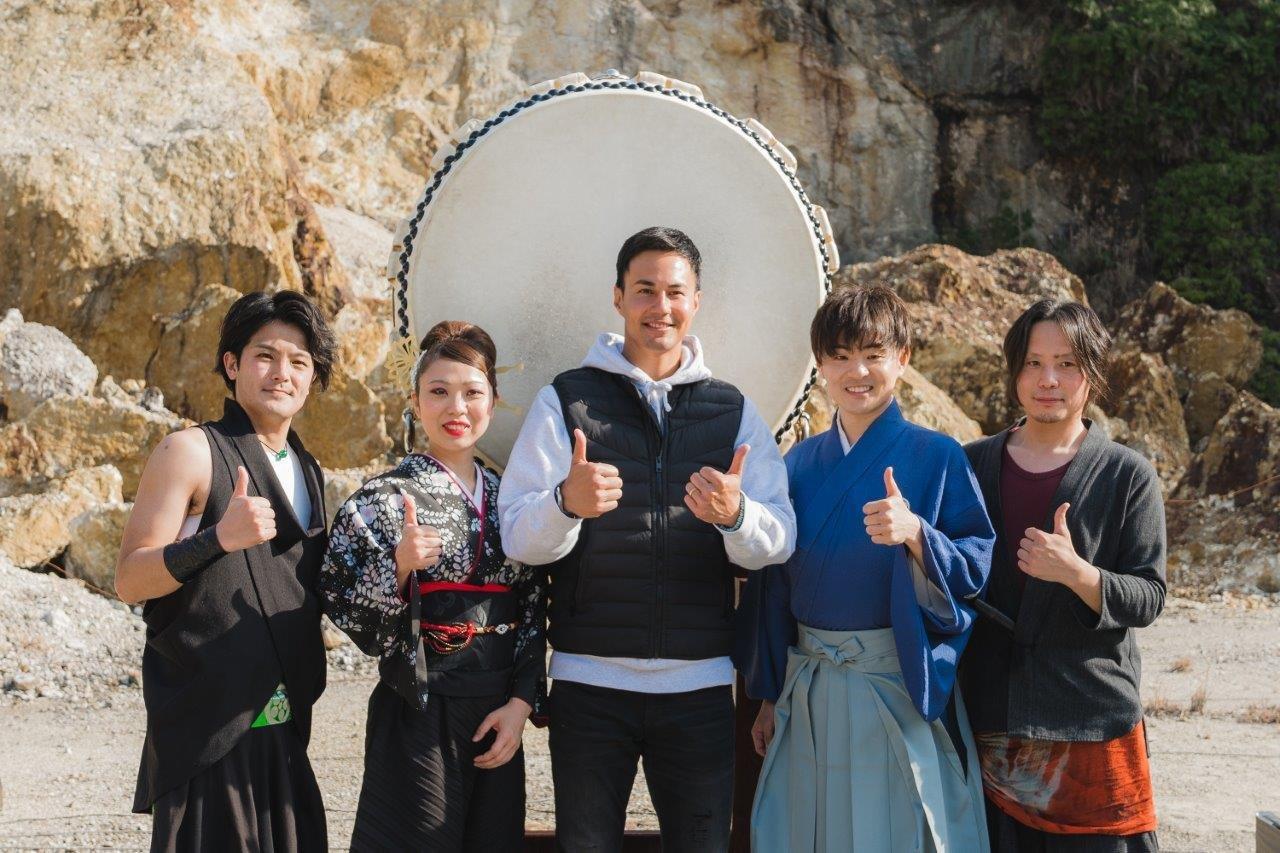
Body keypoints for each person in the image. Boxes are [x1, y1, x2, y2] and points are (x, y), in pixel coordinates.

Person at [497, 226, 795, 851]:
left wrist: (737, 517)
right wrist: (564, 505)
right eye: (645, 290)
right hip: (588, 684)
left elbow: (779, 541)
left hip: (699, 687)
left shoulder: (731, 408)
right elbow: (520, 538)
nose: (661, 306)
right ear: (618, 297)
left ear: (696, 301)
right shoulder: (566, 400)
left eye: (675, 292)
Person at [735, 285, 995, 851]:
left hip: (894, 679)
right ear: (820, 364)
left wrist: (919, 536)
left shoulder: (938, 455)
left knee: (895, 829)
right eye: (840, 355)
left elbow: (976, 565)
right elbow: (775, 584)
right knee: (809, 828)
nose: (858, 371)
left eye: (874, 354)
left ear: (903, 359)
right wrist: (767, 694)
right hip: (809, 685)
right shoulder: (798, 463)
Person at [116, 290, 335, 852]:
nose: (281, 373)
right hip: (207, 727)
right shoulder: (190, 451)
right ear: (232, 364)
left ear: (313, 379)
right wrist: (218, 539)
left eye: (299, 361)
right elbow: (130, 580)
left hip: (283, 724)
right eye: (264, 355)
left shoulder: (308, 468)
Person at [320, 321, 545, 851]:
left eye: (472, 393)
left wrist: (521, 702)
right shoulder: (382, 498)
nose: (456, 409)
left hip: (497, 708)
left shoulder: (513, 498)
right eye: (438, 392)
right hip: (419, 704)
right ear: (415, 401)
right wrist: (398, 565)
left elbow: (536, 604)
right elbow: (337, 594)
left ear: (493, 403)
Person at [960, 299, 1164, 852]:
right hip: (991, 718)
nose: (1048, 379)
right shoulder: (972, 463)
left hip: (1090, 720)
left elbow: (1149, 596)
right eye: (1032, 363)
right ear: (1014, 372)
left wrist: (1079, 574)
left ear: (1092, 373)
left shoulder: (1127, 474)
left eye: (1067, 363)